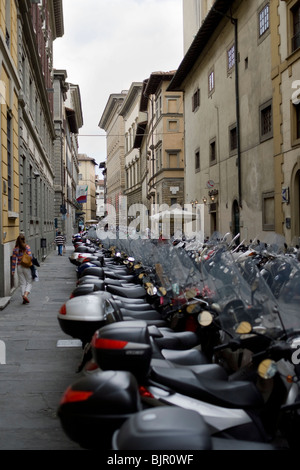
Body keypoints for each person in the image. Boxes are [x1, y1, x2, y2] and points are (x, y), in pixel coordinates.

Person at [11, 234, 33, 304]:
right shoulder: (27, 247)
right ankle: (26, 295)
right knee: (29, 281)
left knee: (22, 283)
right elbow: (30, 257)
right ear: (24, 240)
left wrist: (13, 270)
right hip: (26, 266)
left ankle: (23, 296)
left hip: (19, 267)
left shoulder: (15, 249)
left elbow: (14, 260)